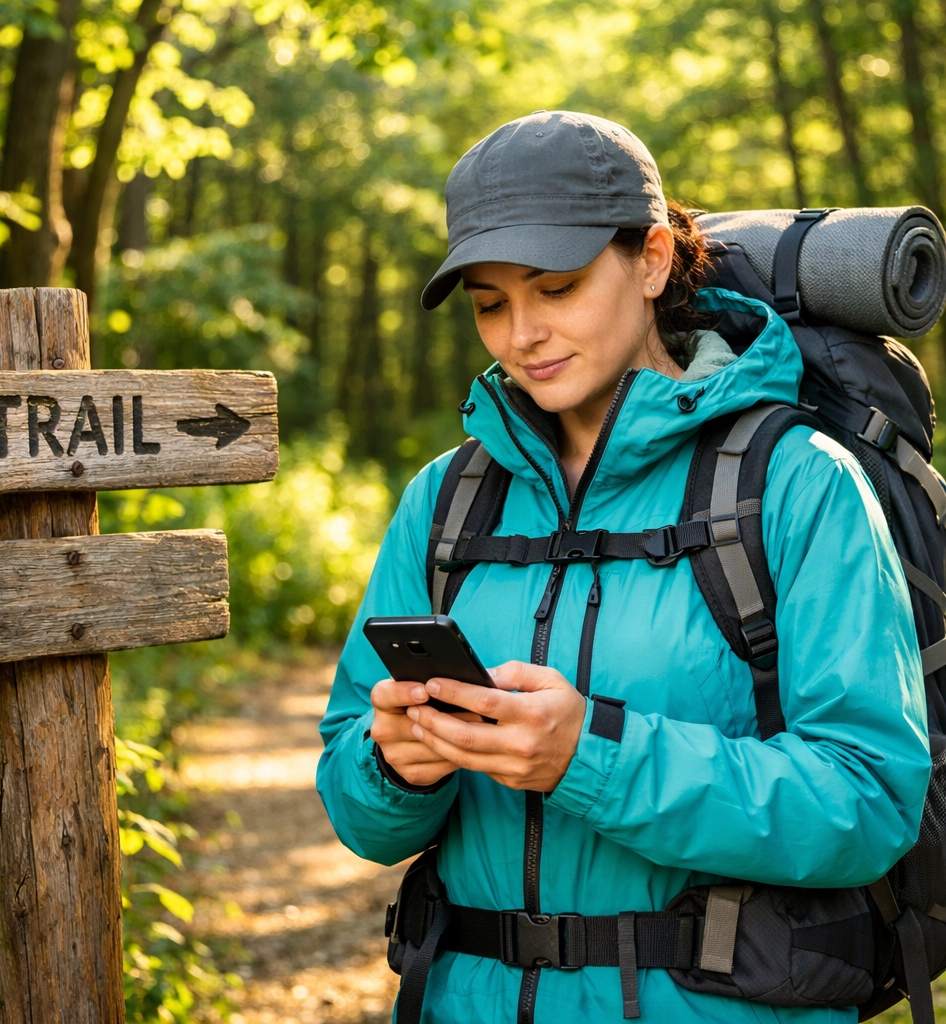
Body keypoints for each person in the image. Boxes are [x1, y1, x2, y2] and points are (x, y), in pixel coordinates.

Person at [316, 111, 931, 1023]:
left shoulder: (798, 482)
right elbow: (356, 805)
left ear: (649, 261)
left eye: (556, 288)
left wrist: (590, 757)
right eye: (490, 303)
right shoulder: (445, 501)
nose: (522, 335)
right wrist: (395, 768)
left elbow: (869, 799)